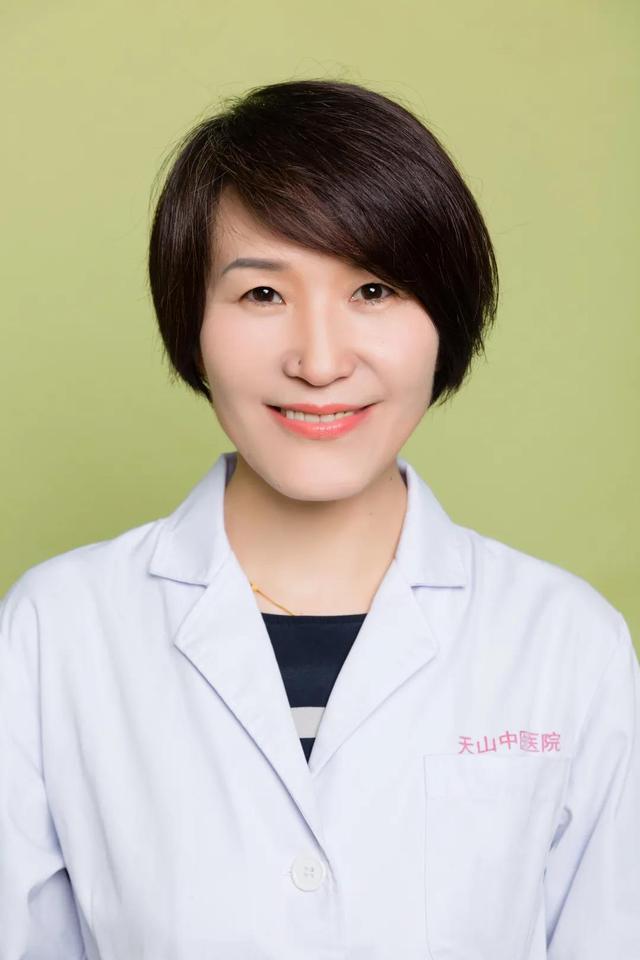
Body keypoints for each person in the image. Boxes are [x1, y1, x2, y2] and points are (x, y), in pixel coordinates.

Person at [0, 78, 638, 960]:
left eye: (374, 289)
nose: (320, 360)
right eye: (263, 295)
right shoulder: (55, 632)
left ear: (445, 317)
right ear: (192, 323)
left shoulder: (566, 642)